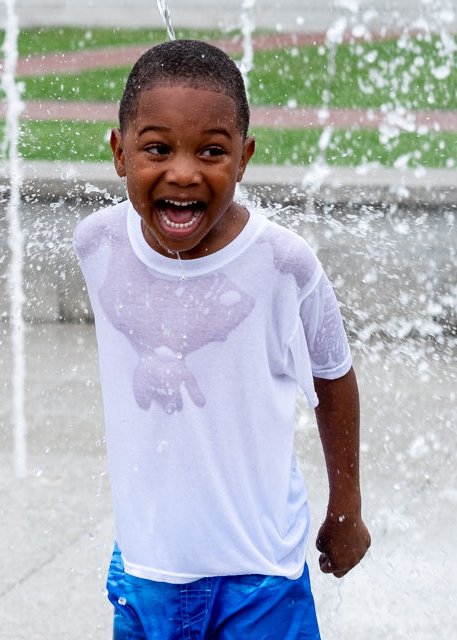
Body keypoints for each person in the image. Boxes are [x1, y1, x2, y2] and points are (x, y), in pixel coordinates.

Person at [73, 39, 370, 639]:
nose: (183, 172)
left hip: (259, 576)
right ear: (118, 153)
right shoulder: (98, 244)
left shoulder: (284, 264)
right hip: (145, 569)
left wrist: (347, 510)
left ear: (244, 157)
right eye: (157, 148)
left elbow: (332, 378)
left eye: (212, 151)